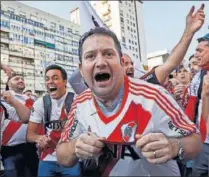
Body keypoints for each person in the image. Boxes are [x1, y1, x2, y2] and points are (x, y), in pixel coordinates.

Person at [56, 26, 202, 176]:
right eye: (90, 56)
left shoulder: (153, 96)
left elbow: (195, 141)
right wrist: (74, 147)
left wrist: (174, 147)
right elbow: (62, 154)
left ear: (121, 62)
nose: (100, 62)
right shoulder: (80, 104)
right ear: (81, 70)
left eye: (108, 54)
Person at [27, 64, 80, 177]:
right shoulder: (40, 103)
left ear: (65, 81)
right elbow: (30, 135)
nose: (50, 81)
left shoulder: (77, 100)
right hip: (47, 157)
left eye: (55, 78)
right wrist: (39, 138)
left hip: (71, 158)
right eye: (47, 79)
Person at [1, 73, 38, 177]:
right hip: (9, 148)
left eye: (22, 79)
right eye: (16, 79)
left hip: (30, 146)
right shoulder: (3, 98)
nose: (21, 80)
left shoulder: (31, 100)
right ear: (9, 83)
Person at [189, 33, 209, 176]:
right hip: (203, 143)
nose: (196, 55)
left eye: (200, 50)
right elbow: (192, 109)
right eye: (196, 50)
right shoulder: (198, 77)